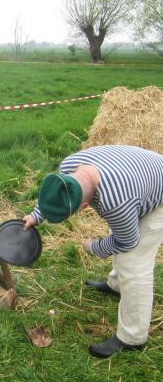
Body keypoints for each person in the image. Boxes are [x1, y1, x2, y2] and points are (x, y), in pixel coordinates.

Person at [23, 145, 163, 358]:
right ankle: (116, 286)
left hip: (159, 192)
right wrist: (36, 215)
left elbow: (127, 241)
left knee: (134, 263)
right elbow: (57, 191)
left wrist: (94, 247)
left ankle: (133, 338)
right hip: (140, 177)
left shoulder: (116, 201)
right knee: (120, 228)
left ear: (86, 205)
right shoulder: (70, 165)